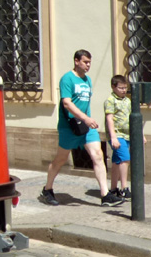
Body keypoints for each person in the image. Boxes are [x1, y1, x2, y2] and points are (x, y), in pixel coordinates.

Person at [38, 49, 123, 207]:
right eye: (85, 62)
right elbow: (67, 103)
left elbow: (85, 104)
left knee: (98, 155)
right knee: (60, 159)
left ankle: (105, 195)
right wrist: (85, 118)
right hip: (69, 126)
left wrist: (87, 120)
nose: (88, 65)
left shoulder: (87, 80)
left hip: (86, 127)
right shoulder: (67, 79)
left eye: (89, 62)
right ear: (76, 61)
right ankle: (47, 190)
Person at [104, 74, 144, 201]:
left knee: (117, 161)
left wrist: (141, 134)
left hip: (127, 135)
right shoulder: (111, 100)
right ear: (113, 87)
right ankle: (124, 188)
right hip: (117, 135)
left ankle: (113, 188)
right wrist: (113, 137)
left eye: (125, 88)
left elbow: (134, 118)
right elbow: (109, 119)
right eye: (120, 88)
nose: (123, 90)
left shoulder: (128, 101)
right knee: (125, 158)